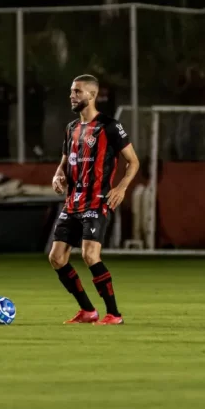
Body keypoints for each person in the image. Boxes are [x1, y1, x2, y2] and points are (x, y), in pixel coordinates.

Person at [48, 74, 140, 325]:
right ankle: (88, 311)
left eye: (77, 91)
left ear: (91, 95)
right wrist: (58, 176)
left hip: (97, 201)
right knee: (56, 258)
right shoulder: (71, 128)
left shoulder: (110, 126)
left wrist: (121, 187)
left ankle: (114, 314)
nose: (72, 96)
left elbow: (133, 161)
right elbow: (64, 162)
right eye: (71, 91)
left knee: (90, 256)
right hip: (72, 202)